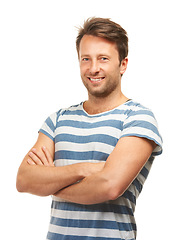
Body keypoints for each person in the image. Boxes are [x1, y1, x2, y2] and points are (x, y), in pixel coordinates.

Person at [16, 17, 163, 240]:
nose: (93, 68)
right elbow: (24, 180)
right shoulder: (58, 120)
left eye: (103, 58)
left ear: (123, 64)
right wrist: (85, 169)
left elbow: (109, 186)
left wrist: (51, 185)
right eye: (86, 59)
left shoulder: (137, 118)